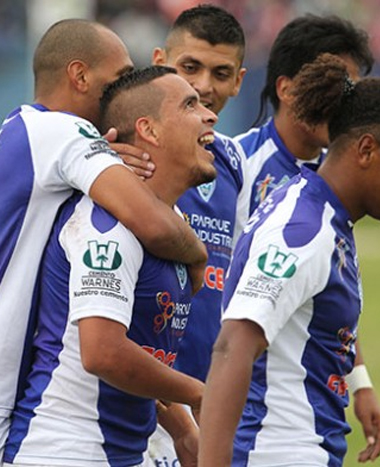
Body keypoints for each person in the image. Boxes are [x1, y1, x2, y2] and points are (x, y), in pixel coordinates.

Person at [0, 20, 208, 467]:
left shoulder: (23, 135)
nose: (123, 92)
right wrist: (197, 255)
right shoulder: (60, 132)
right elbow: (151, 221)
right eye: (118, 79)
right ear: (79, 76)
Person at [198, 53, 380, 466]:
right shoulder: (302, 231)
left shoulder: (324, 216)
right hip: (279, 452)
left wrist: (359, 382)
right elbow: (233, 346)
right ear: (366, 149)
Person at [4, 66, 217, 467]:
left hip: (118, 452)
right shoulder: (107, 225)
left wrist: (182, 430)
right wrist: (199, 394)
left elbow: (145, 354)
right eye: (190, 105)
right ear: (149, 131)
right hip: (64, 452)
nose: (210, 115)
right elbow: (102, 353)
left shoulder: (170, 225)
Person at [233, 14, 380, 461]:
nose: (346, 106)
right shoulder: (238, 165)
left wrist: (359, 382)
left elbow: (325, 294)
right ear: (286, 88)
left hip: (303, 406)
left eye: (352, 92)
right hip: (247, 406)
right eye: (337, 88)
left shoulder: (335, 180)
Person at [124, 5, 247, 466]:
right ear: (160, 62)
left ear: (239, 81)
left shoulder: (234, 162)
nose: (204, 86)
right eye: (189, 67)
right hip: (141, 397)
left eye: (221, 73)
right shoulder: (124, 155)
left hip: (202, 397)